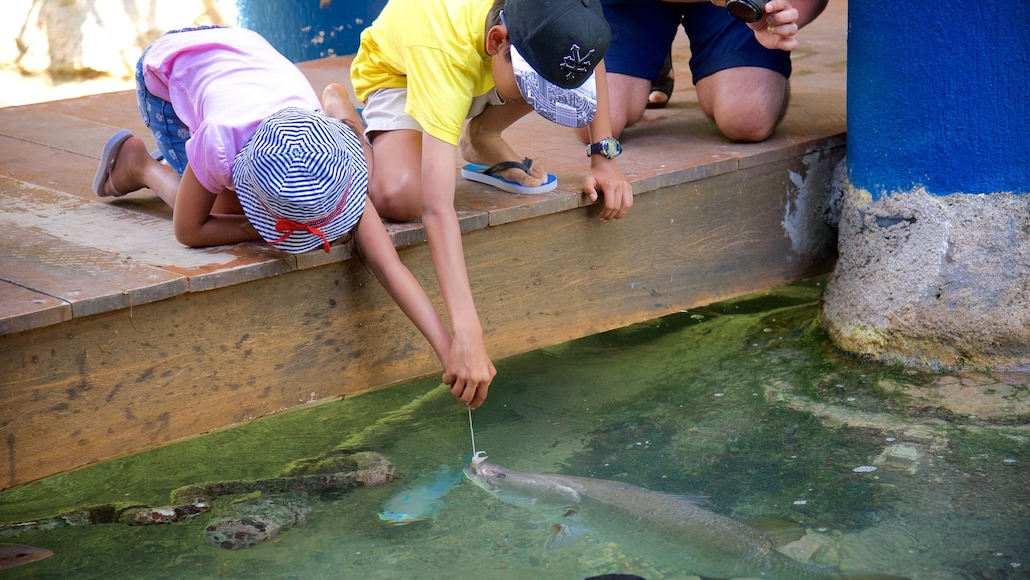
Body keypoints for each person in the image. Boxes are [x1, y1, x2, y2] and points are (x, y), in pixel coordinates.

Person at [90, 26, 485, 407]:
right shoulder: (218, 140)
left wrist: (450, 351)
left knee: (240, 197)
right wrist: (263, 230)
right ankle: (140, 166)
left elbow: (387, 263)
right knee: (221, 208)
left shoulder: (328, 165)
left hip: (246, 55)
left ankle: (340, 111)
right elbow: (188, 230)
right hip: (170, 68)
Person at [349, 0, 634, 409]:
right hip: (404, 75)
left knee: (540, 69)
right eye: (537, 88)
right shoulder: (442, 48)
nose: (544, 102)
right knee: (402, 197)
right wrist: (467, 333)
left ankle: (481, 136)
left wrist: (603, 159)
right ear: (497, 39)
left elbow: (586, 54)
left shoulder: (555, 18)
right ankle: (343, 120)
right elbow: (437, 208)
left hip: (481, 70)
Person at [600, 0, 829, 143]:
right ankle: (652, 55)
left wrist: (777, 16)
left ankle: (648, 54)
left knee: (747, 117)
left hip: (732, 3)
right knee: (598, 120)